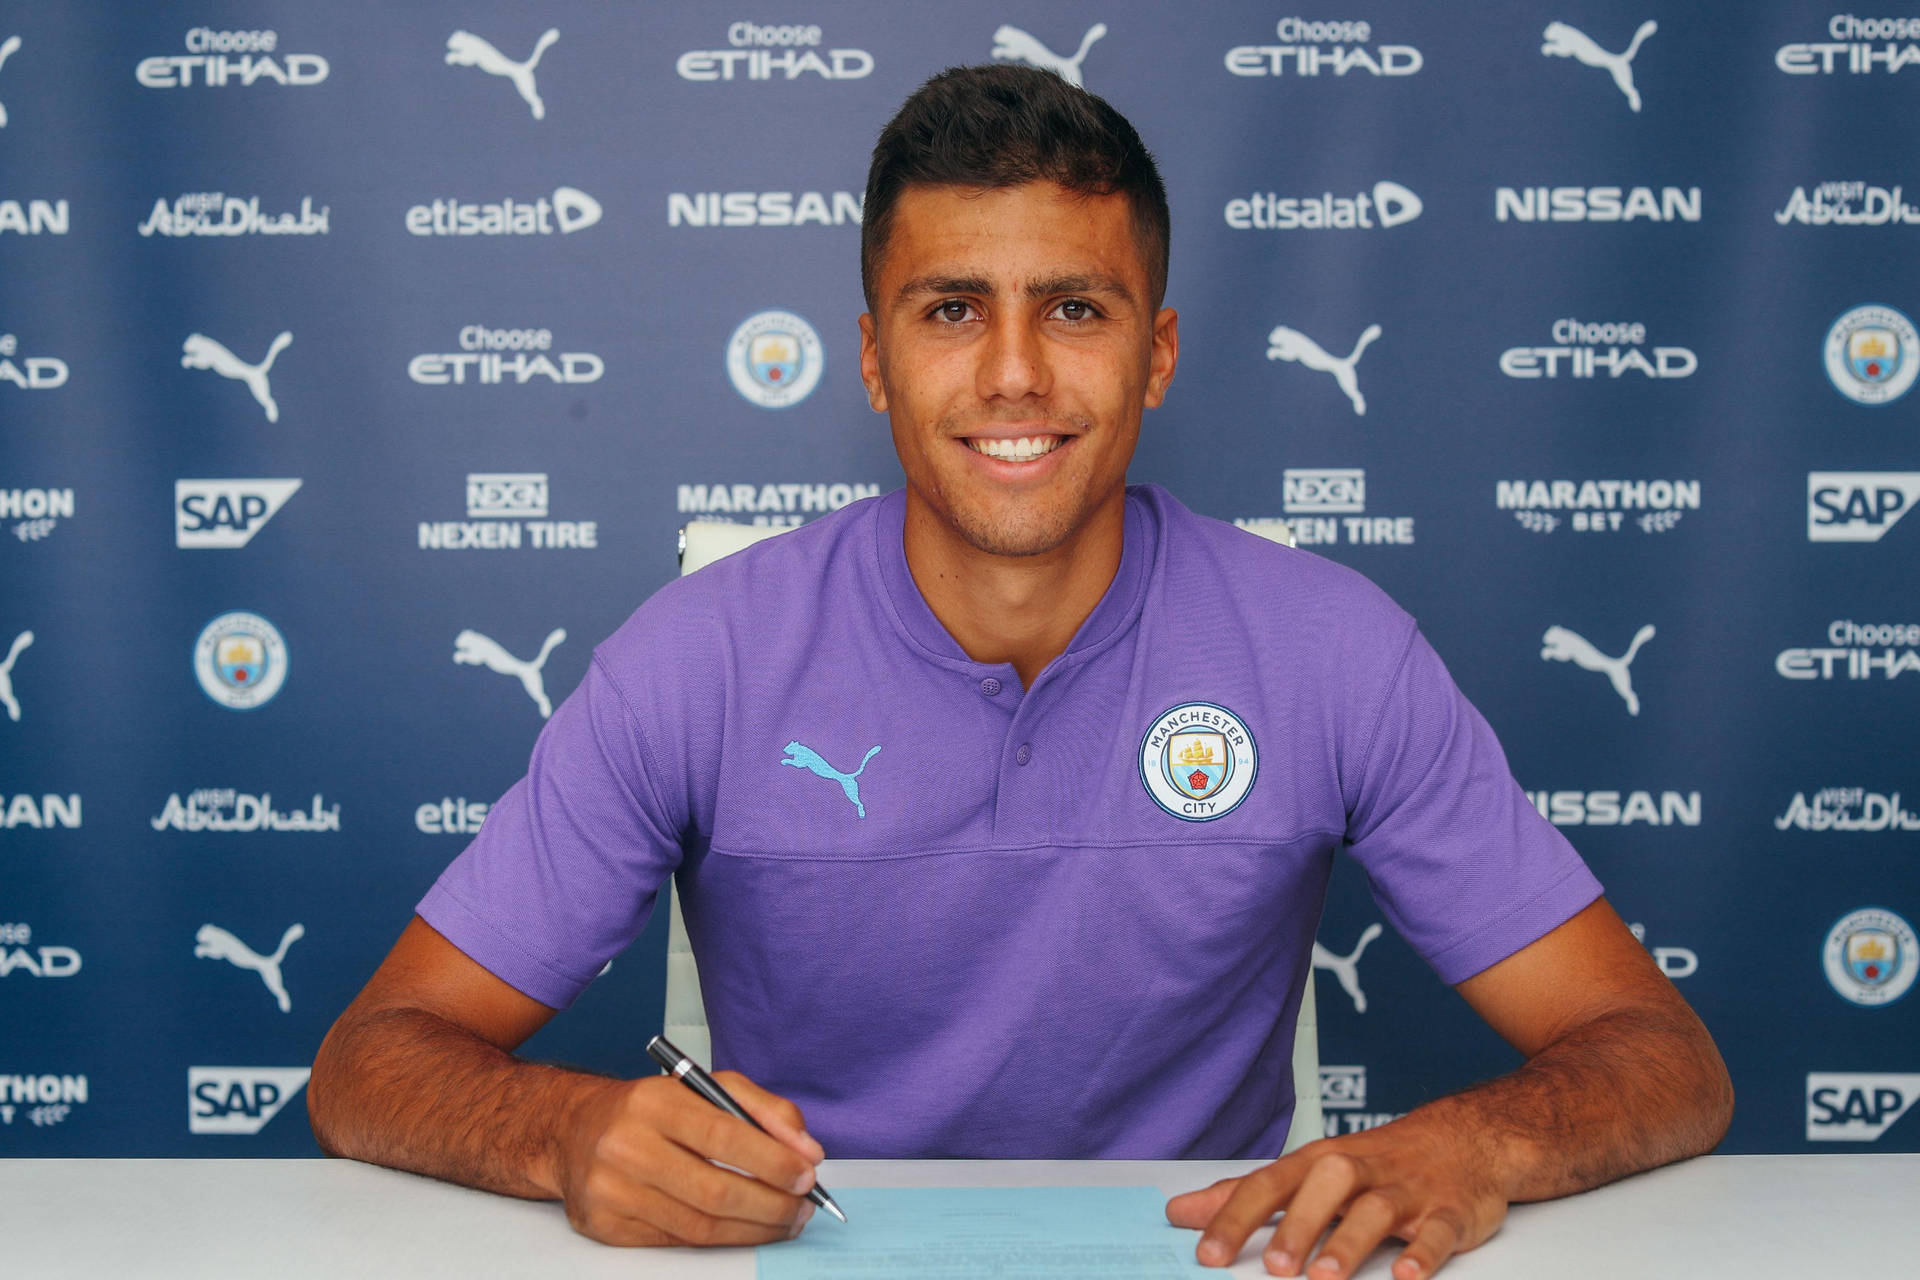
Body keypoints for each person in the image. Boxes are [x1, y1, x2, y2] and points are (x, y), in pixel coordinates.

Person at [309, 65, 1732, 1279]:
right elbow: (372, 1060)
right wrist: (566, 1134)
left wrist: (1468, 1142)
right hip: (807, 1258)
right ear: (872, 360)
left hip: (1201, 1259)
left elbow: (1659, 1055)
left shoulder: (1333, 647)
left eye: (1074, 309)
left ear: (1157, 351)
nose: (1012, 377)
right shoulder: (699, 657)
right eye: (949, 311)